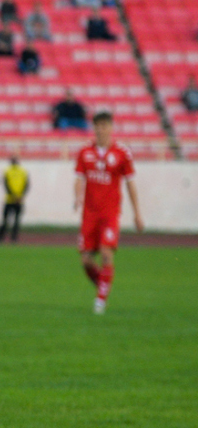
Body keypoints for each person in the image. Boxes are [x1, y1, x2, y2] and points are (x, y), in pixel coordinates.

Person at [75, 112, 143, 314]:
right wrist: (78, 196)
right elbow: (79, 178)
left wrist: (137, 213)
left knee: (106, 253)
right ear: (93, 128)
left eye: (104, 125)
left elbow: (131, 184)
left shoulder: (122, 153)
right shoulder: (85, 152)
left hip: (110, 213)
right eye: (97, 125)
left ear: (111, 127)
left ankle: (100, 301)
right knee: (86, 260)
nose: (101, 129)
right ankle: (103, 285)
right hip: (89, 214)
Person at [0, 156, 29, 243]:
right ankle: (13, 238)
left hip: (9, 199)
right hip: (18, 200)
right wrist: (20, 196)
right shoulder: (23, 171)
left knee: (6, 220)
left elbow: (6, 185)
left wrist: (14, 196)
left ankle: (1, 238)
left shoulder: (7, 171)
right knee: (15, 220)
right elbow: (26, 185)